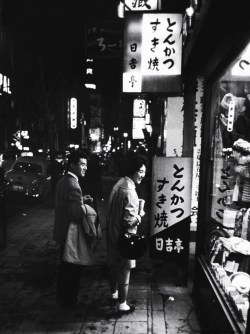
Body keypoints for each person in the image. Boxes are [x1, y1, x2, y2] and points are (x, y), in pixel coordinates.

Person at [106, 154, 147, 314]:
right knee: (124, 270)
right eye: (141, 171)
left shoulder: (119, 184)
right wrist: (140, 214)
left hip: (113, 233)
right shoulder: (129, 191)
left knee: (113, 266)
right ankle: (123, 304)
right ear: (133, 171)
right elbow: (129, 221)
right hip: (124, 238)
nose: (143, 175)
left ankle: (113, 294)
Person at [53, 150, 94, 307]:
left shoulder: (63, 181)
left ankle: (61, 297)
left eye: (86, 165)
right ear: (73, 165)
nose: (85, 168)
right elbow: (76, 214)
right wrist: (85, 206)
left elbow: (65, 204)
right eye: (82, 164)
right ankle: (70, 300)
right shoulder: (73, 185)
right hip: (71, 235)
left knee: (64, 268)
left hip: (61, 231)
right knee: (72, 269)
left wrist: (81, 200)